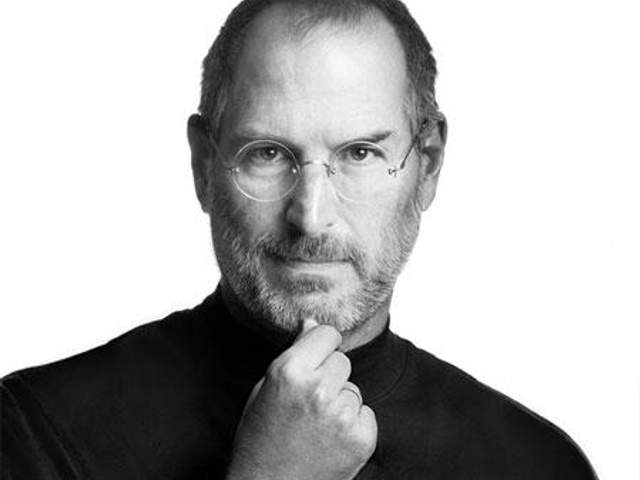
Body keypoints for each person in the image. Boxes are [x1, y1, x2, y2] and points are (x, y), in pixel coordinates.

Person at [1, 0, 599, 479]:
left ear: (429, 166)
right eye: (267, 154)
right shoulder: (33, 430)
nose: (310, 217)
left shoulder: (537, 464)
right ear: (204, 166)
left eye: (360, 153)